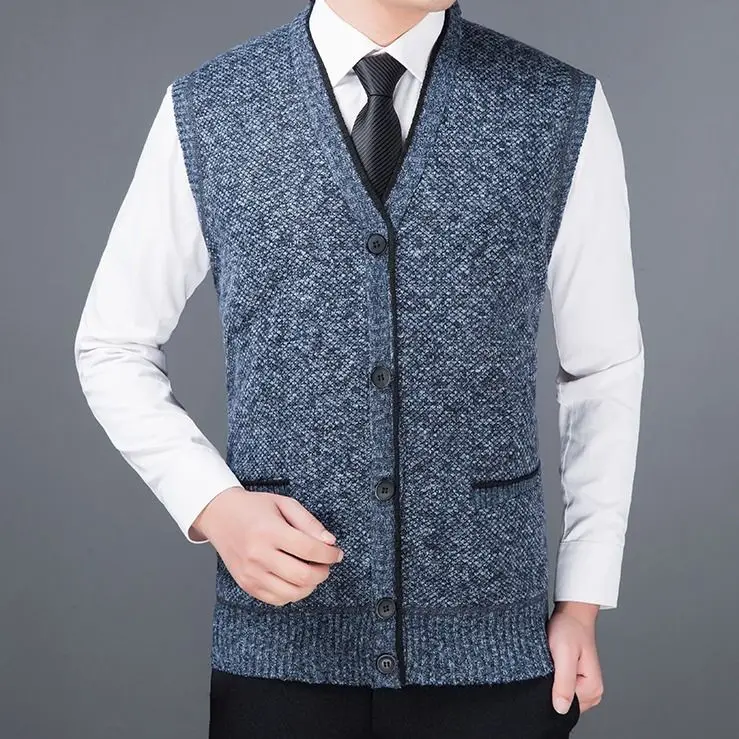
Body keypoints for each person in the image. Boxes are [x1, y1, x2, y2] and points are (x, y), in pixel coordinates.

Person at [73, 0, 644, 736]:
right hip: (280, 651)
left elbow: (602, 371)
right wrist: (212, 504)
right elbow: (111, 345)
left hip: (494, 647)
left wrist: (581, 598)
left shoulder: (556, 107)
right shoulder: (211, 108)